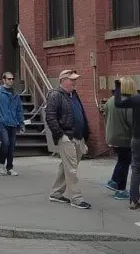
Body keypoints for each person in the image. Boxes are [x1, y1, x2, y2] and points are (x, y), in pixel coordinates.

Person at [45, 69, 91, 209]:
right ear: (63, 80)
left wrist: (85, 133)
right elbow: (50, 117)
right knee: (71, 168)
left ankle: (56, 193)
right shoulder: (55, 95)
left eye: (75, 79)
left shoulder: (73, 95)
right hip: (66, 136)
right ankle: (76, 197)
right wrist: (61, 135)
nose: (75, 82)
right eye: (72, 80)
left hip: (78, 136)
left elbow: (80, 114)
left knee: (67, 166)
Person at [0, 72, 25, 176]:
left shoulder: (15, 94)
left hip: (13, 123)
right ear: (4, 80)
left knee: (11, 146)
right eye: (9, 79)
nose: (11, 81)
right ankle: (2, 163)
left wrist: (21, 124)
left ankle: (10, 167)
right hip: (1, 122)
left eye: (12, 79)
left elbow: (19, 110)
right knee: (6, 143)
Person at [105, 76, 135, 202]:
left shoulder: (111, 100)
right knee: (125, 162)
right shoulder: (128, 102)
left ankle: (114, 181)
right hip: (124, 138)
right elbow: (132, 122)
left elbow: (106, 117)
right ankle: (120, 190)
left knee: (121, 160)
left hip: (112, 136)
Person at [113, 76, 140, 209]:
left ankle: (134, 200)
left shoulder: (137, 99)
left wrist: (117, 86)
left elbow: (117, 103)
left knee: (136, 169)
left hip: (138, 138)